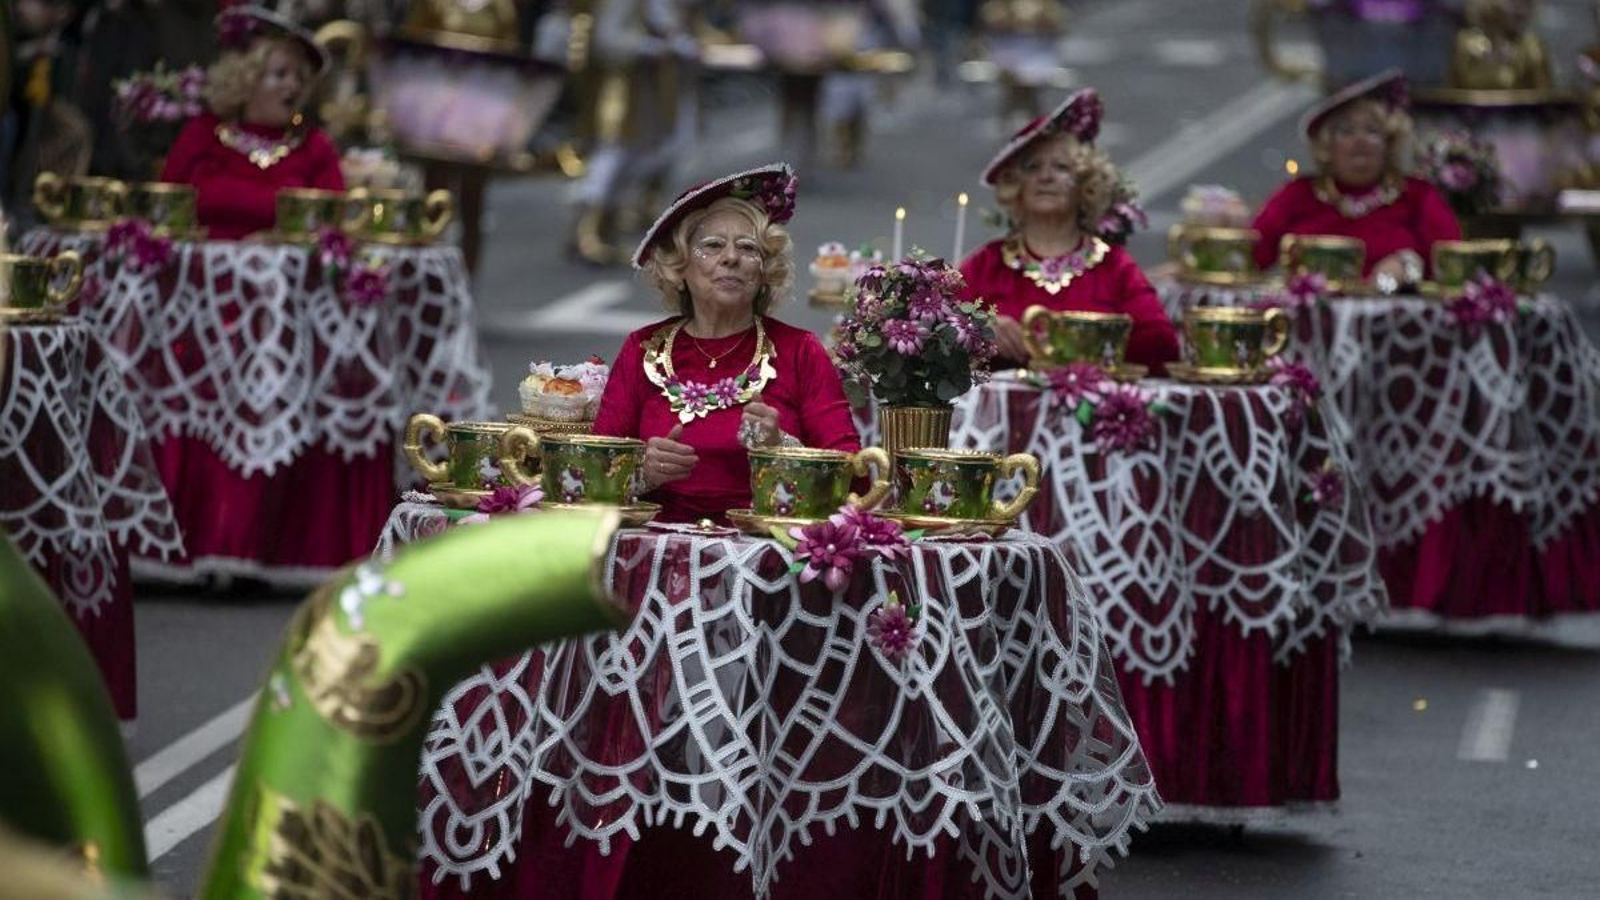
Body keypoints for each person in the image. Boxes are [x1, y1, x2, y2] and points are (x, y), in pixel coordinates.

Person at [591, 163, 862, 522]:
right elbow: (590, 477)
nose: (731, 257)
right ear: (681, 268)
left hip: (767, 560)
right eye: (712, 245)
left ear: (763, 273)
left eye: (748, 248)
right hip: (659, 557)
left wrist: (780, 449)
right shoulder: (642, 348)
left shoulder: (801, 351)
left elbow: (857, 479)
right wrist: (641, 472)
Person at [958, 88, 1180, 371]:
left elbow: (1162, 345)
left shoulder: (1115, 266)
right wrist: (977, 329)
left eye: (1061, 167)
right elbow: (932, 335)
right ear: (1016, 185)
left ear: (1085, 184)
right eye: (1032, 167)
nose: (1046, 176)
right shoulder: (986, 266)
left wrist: (1084, 345)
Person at [1251, 69, 1462, 292]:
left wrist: (1407, 265)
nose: (1360, 141)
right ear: (1327, 145)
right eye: (1346, 131)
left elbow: (1453, 266)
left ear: (1389, 143)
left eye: (1372, 131)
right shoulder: (1297, 194)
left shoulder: (1417, 195)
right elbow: (1252, 256)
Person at [160, 5, 343, 240]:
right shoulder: (202, 133)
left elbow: (333, 234)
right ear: (246, 78)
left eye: (300, 77)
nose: (294, 86)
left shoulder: (316, 147)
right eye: (280, 74)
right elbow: (164, 213)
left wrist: (277, 242)